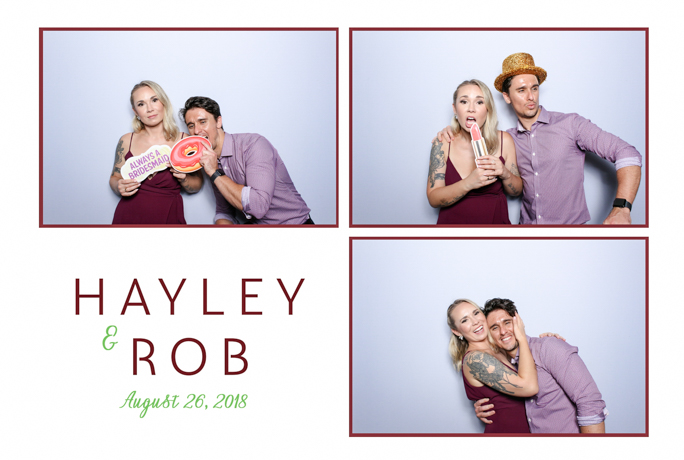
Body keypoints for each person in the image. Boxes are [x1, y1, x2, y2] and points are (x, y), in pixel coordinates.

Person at [438, 53, 642, 225]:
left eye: (534, 88)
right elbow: (474, 134)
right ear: (506, 97)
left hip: (571, 236)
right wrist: (451, 131)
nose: (531, 97)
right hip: (526, 237)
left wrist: (622, 208)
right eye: (521, 90)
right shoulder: (507, 139)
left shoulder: (571, 125)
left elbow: (628, 153)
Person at [479, 298, 607, 433]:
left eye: (507, 322)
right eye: (494, 327)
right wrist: (484, 408)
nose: (503, 331)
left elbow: (589, 401)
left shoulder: (548, 348)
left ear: (519, 321)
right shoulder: (501, 368)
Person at [179, 97, 312, 225]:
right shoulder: (210, 161)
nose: (196, 131)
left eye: (202, 122)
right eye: (191, 126)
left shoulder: (254, 145)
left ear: (218, 122)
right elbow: (225, 212)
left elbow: (258, 207)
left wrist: (215, 172)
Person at [427, 80, 522, 224]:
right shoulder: (442, 143)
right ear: (454, 108)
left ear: (488, 108)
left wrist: (504, 173)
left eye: (479, 102)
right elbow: (433, 199)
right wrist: (469, 183)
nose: (471, 108)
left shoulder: (504, 140)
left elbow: (516, 191)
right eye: (464, 101)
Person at [110, 81, 203, 224]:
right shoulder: (126, 141)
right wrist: (118, 186)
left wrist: (183, 178)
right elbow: (115, 177)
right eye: (141, 104)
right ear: (135, 111)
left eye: (154, 100)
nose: (149, 108)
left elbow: (197, 185)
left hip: (168, 216)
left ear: (163, 103)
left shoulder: (184, 141)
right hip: (128, 216)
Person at [446, 298, 537, 433]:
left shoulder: (500, 348)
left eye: (476, 313)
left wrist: (547, 341)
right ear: (457, 332)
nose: (475, 321)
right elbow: (530, 387)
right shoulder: (475, 360)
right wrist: (522, 336)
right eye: (465, 320)